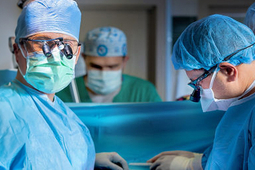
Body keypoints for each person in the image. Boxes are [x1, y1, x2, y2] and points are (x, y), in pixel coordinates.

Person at [0, 0, 128, 169]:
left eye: (66, 45)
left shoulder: (71, 122)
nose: (55, 54)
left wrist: (88, 160)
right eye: (42, 43)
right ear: (17, 50)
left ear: (77, 54)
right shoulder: (3, 109)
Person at [147, 14, 255, 169]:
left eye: (198, 82)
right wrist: (201, 161)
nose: (198, 90)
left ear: (228, 71)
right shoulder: (243, 102)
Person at [56, 26, 162, 103]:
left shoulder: (143, 91)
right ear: (83, 58)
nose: (104, 73)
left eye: (112, 66)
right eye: (96, 66)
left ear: (125, 61)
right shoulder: (65, 91)